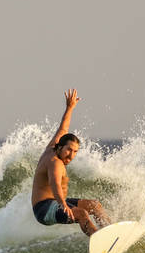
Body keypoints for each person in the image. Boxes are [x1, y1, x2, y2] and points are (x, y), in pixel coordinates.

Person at [31, 88, 110, 236]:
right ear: (60, 147)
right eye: (69, 150)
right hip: (44, 209)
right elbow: (55, 183)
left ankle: (110, 232)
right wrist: (63, 203)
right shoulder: (55, 162)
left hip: (55, 202)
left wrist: (70, 107)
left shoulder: (55, 145)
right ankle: (98, 239)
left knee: (95, 205)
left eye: (75, 151)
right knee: (81, 214)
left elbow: (63, 126)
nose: (71, 155)